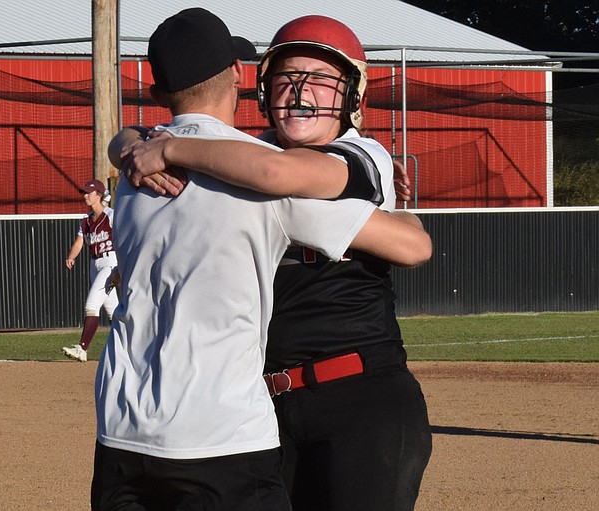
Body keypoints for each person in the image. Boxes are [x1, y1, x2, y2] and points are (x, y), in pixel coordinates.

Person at [94, 8, 431, 511]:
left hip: (356, 394)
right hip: (269, 400)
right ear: (252, 82)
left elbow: (412, 245)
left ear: (353, 94)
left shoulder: (360, 154)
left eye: (320, 79)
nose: (300, 92)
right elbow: (241, 159)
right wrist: (127, 143)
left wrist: (163, 150)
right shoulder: (242, 155)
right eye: (288, 77)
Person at [62, 179, 117, 363]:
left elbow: (124, 238)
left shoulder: (111, 215)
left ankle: (82, 348)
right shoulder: (85, 221)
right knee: (114, 311)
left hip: (111, 262)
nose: (86, 195)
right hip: (94, 264)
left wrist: (121, 267)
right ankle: (128, 348)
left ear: (99, 195)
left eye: (89, 192)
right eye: (84, 192)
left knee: (91, 306)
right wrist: (71, 256)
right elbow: (79, 243)